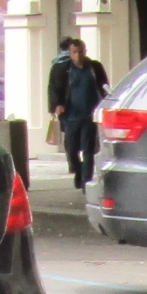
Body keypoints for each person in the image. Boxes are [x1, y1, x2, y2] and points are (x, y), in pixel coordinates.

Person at [47, 36, 111, 187]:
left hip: (89, 115)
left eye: (80, 52)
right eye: (74, 52)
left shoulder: (94, 67)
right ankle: (79, 169)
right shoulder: (62, 69)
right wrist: (56, 104)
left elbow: (104, 87)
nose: (78, 56)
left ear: (85, 51)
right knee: (71, 148)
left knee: (88, 149)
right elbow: (54, 88)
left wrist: (107, 103)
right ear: (69, 53)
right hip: (70, 115)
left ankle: (86, 181)